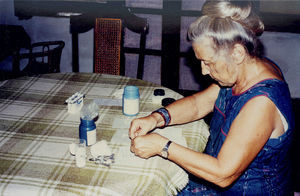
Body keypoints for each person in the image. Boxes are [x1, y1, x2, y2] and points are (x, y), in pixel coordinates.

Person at [129, 0, 294, 195]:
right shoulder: (245, 70)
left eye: (208, 62)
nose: (203, 71)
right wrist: (156, 118)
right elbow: (199, 104)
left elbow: (222, 174)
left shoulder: (261, 103)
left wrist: (162, 146)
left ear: (237, 53)